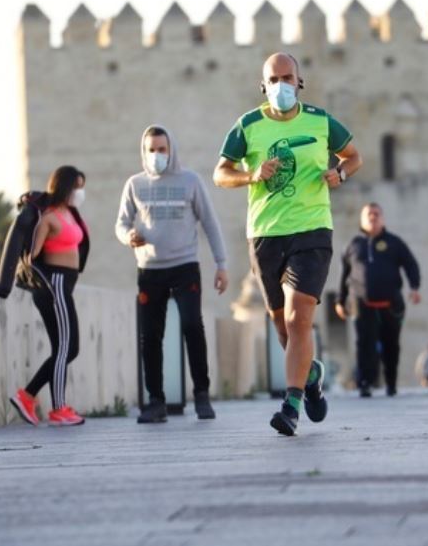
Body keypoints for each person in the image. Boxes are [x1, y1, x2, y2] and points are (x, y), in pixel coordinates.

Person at [213, 52, 362, 436]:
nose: (281, 85)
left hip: (312, 229)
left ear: (299, 81)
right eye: (274, 79)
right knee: (283, 328)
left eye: (287, 77)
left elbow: (353, 156)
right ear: (264, 86)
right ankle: (311, 375)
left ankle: (291, 406)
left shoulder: (320, 120)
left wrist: (340, 174)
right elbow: (220, 174)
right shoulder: (248, 125)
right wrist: (251, 174)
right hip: (265, 234)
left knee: (299, 319)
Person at [117, 124, 228, 423]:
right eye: (151, 150)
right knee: (150, 336)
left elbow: (210, 223)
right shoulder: (135, 184)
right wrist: (128, 236)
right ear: (144, 152)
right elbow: (121, 223)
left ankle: (202, 395)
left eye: (162, 149)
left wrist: (221, 264)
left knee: (192, 325)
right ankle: (156, 401)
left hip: (185, 267)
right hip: (149, 270)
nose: (157, 155)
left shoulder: (190, 181)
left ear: (171, 150)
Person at [3, 165, 89, 426]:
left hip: (66, 286)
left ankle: (27, 395)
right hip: (56, 286)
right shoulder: (49, 218)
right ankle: (59, 409)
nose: (80, 192)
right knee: (66, 348)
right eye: (77, 187)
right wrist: (48, 284)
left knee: (67, 349)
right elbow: (32, 256)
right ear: (65, 186)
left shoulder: (70, 213)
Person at [335, 202, 421, 397]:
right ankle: (365, 383)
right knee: (364, 344)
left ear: (382, 218)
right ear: (362, 219)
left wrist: (414, 287)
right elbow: (344, 274)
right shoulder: (354, 245)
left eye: (376, 214)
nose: (373, 217)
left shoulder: (394, 243)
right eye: (369, 214)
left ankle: (391, 383)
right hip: (362, 304)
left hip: (390, 304)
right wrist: (340, 300)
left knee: (391, 345)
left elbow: (411, 264)